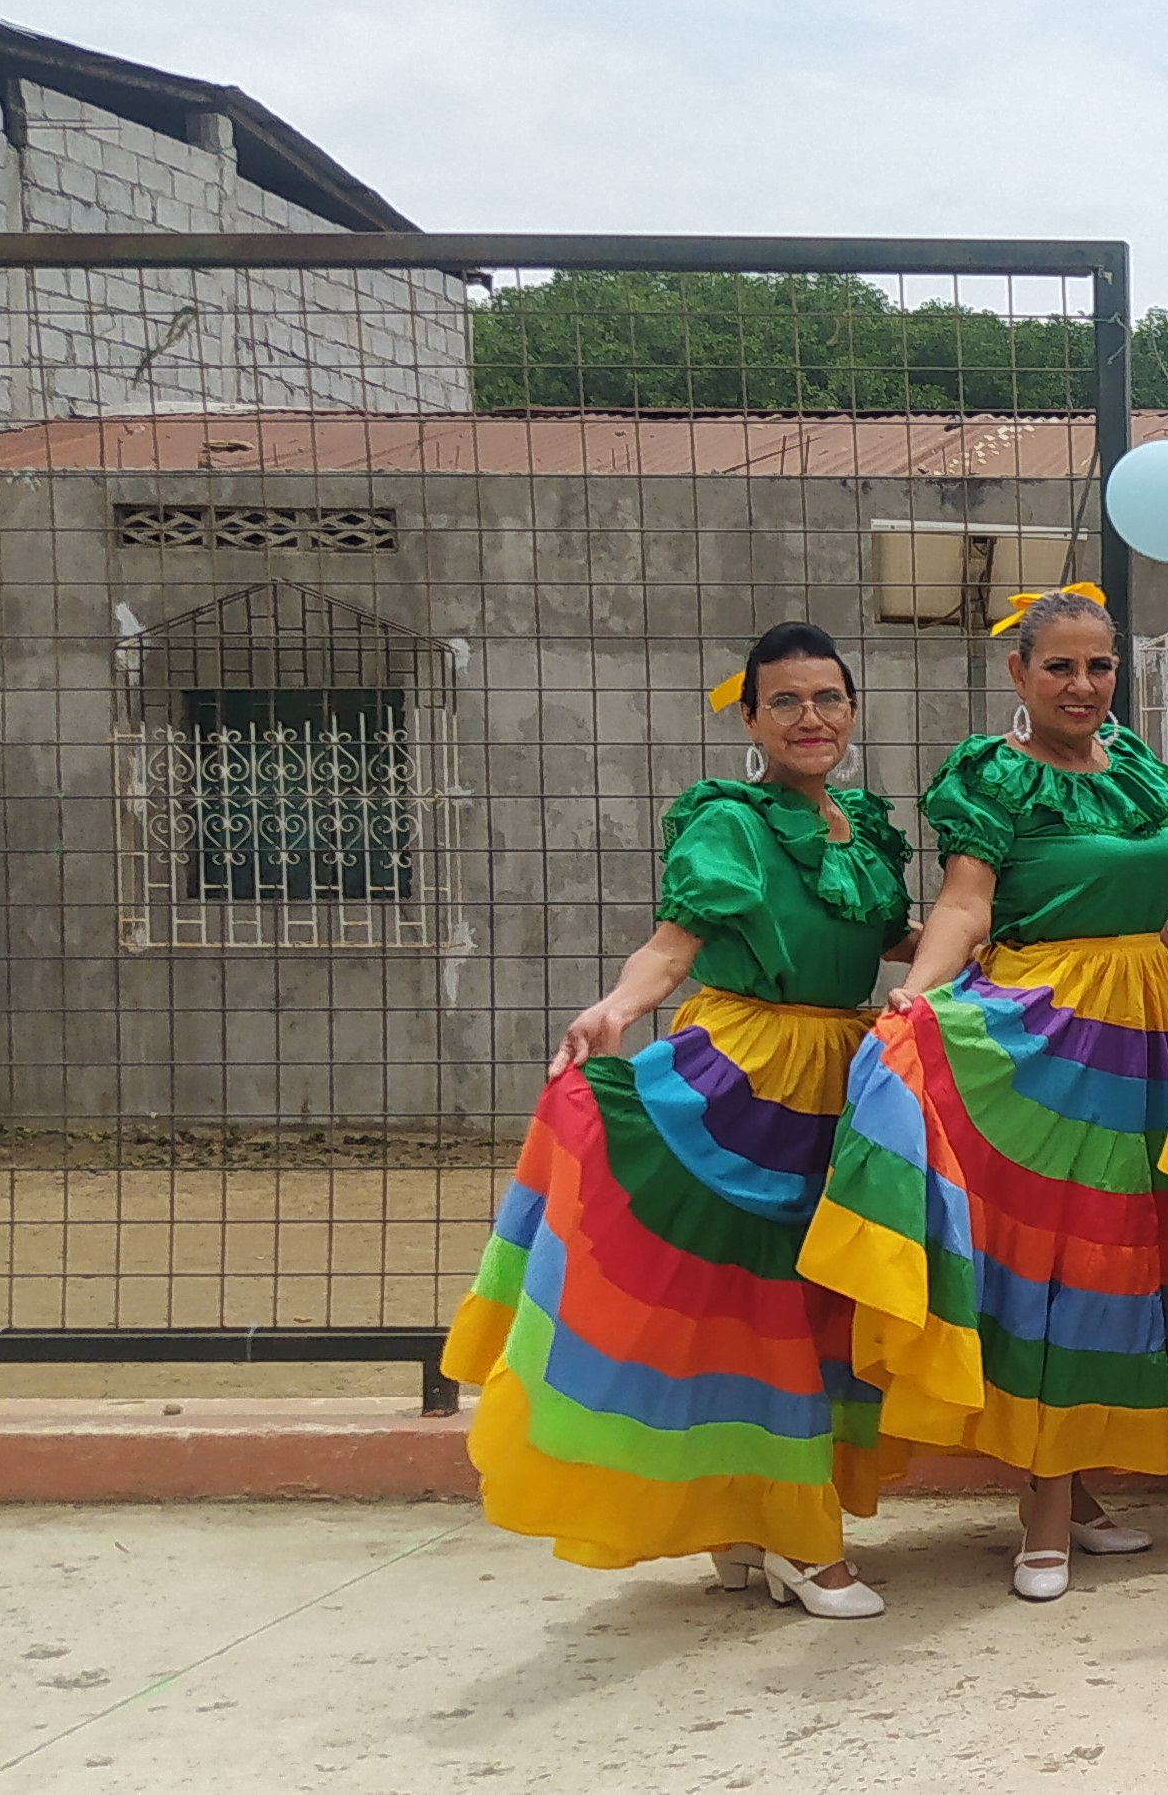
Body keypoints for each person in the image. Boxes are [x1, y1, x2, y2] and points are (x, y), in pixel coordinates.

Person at [444, 622, 911, 1617]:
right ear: (750, 719)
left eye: (827, 697)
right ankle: (799, 1538)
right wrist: (614, 1010)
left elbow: (878, 935)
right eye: (784, 701)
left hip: (844, 1081)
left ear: (853, 709)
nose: (810, 718)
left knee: (807, 1307)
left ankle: (743, 1525)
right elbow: (672, 946)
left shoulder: (864, 826)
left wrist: (1008, 941)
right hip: (749, 1083)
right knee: (766, 1308)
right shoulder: (728, 822)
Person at [807, 584, 1168, 1603]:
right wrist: (918, 998)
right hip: (1051, 1033)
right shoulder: (995, 774)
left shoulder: (1134, 766)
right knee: (1062, 1255)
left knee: (1124, 1253)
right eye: (1060, 666)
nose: (1082, 685)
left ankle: (1077, 1487)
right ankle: (1045, 1509)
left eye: (1099, 666)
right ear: (1019, 672)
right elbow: (967, 902)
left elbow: (1144, 899)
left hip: (1149, 1026)